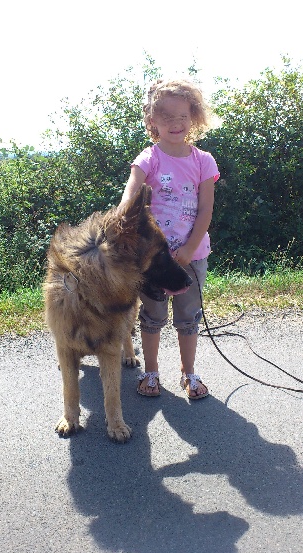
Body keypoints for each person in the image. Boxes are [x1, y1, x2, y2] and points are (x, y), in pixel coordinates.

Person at [119, 79, 220, 399]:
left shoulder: (204, 161)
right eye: (166, 117)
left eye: (183, 116)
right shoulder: (148, 159)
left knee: (189, 318)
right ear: (152, 120)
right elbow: (129, 198)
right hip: (154, 262)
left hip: (193, 255)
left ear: (194, 117)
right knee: (153, 317)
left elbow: (205, 210)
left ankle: (189, 374)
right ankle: (151, 372)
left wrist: (190, 248)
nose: (176, 124)